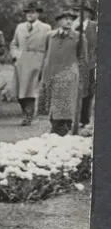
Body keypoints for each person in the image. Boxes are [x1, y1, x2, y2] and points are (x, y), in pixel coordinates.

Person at [37, 8, 85, 136]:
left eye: (71, 19)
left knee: (66, 101)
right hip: (51, 72)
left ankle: (64, 127)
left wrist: (77, 73)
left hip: (68, 74)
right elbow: (46, 53)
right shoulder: (50, 36)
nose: (69, 22)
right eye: (66, 19)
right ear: (58, 21)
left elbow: (82, 57)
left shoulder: (78, 37)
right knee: (52, 100)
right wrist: (43, 71)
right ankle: (54, 126)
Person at [10, 1, 49, 126]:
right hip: (21, 62)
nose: (30, 15)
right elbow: (14, 44)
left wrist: (44, 62)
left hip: (37, 60)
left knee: (31, 90)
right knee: (20, 92)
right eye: (27, 12)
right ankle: (25, 113)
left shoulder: (45, 28)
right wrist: (16, 56)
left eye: (32, 12)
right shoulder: (20, 27)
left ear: (38, 14)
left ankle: (28, 116)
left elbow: (49, 47)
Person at [77, 0, 98, 130]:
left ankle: (84, 119)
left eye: (84, 11)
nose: (81, 13)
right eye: (78, 11)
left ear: (89, 13)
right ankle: (73, 119)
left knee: (87, 92)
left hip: (90, 63)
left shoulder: (94, 26)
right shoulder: (73, 26)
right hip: (74, 63)